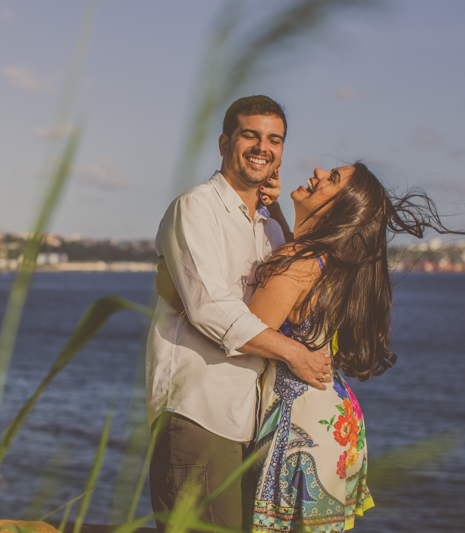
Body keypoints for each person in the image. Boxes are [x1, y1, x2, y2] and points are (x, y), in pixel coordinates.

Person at [156, 162, 465, 531]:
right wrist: (282, 216)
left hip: (298, 425)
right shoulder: (338, 263)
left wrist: (180, 291)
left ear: (339, 210)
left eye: (332, 179)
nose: (318, 171)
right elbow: (297, 273)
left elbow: (243, 331)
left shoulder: (297, 262)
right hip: (335, 418)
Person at [146, 95, 333, 532]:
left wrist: (282, 214)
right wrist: (294, 354)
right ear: (224, 142)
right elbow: (210, 308)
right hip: (198, 410)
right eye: (250, 134)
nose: (262, 147)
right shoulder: (196, 208)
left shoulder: (267, 224)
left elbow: (288, 298)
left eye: (274, 139)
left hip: (248, 420)